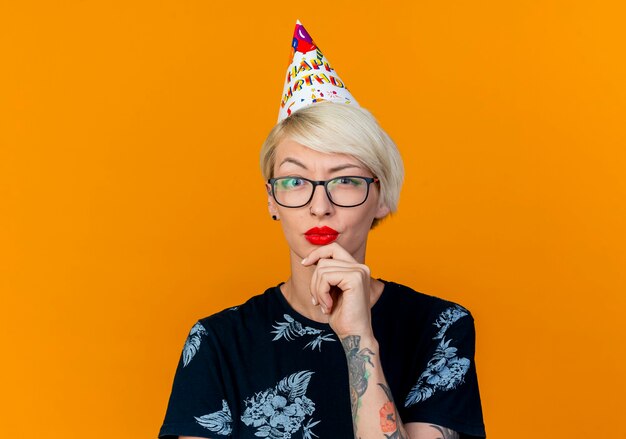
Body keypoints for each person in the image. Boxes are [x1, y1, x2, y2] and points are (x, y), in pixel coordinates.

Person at [159, 21, 485, 439]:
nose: (319, 206)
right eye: (294, 181)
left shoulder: (440, 327)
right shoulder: (218, 343)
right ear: (271, 201)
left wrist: (358, 339)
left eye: (345, 180)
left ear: (381, 197)